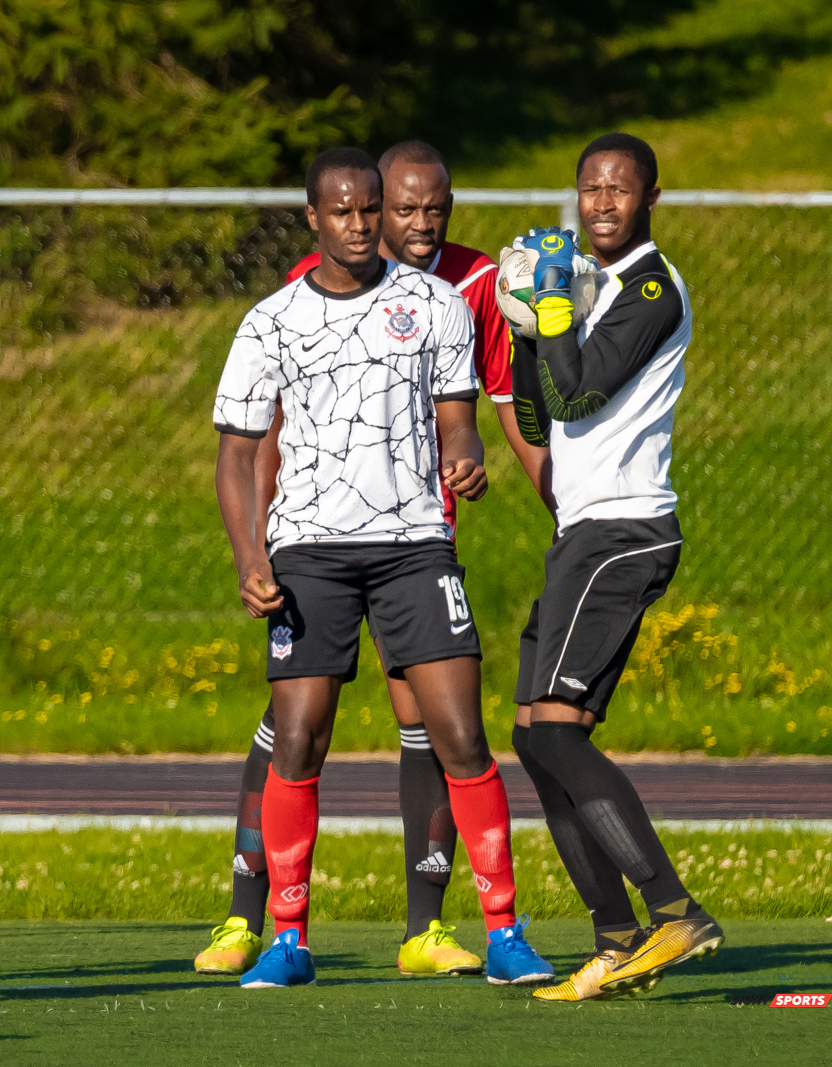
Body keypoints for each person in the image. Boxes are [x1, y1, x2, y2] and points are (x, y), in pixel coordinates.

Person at [195, 141, 556, 980]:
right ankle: (286, 937)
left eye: (372, 210)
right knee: (298, 739)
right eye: (348, 212)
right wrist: (251, 555)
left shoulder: (436, 304)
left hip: (414, 546)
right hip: (309, 553)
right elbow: (236, 453)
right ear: (316, 218)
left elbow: (458, 412)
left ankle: (502, 931)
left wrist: (464, 453)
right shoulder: (271, 319)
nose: (363, 226)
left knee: (459, 734)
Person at [508, 134, 723, 1003]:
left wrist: (553, 309)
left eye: (619, 189)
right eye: (590, 188)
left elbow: (585, 388)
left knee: (557, 730)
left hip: (625, 531)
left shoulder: (648, 287)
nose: (602, 202)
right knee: (534, 735)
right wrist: (525, 321)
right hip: (585, 533)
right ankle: (616, 937)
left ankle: (676, 910)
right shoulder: (587, 292)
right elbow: (537, 410)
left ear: (650, 199)